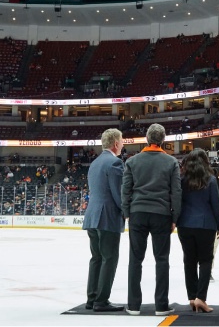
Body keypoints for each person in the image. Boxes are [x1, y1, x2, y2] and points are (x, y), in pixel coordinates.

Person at [121, 123, 182, 316]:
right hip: (162, 214)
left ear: (147, 139)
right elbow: (176, 192)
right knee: (162, 260)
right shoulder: (171, 162)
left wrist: (127, 213)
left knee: (135, 260)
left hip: (138, 213)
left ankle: (133, 305)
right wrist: (175, 217)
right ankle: (161, 306)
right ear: (163, 140)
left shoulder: (132, 161)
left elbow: (125, 190)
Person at [82, 128, 125, 312]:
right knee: (110, 257)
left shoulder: (95, 163)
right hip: (107, 217)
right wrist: (127, 212)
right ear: (116, 143)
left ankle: (92, 298)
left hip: (92, 216)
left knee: (97, 257)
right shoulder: (115, 163)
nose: (123, 144)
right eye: (122, 140)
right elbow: (119, 193)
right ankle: (101, 300)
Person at [176, 149, 219, 313]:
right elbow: (216, 205)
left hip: (185, 224)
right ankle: (201, 298)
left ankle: (191, 297)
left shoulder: (181, 180)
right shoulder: (210, 180)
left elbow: (177, 201)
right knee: (205, 261)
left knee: (189, 261)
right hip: (205, 225)